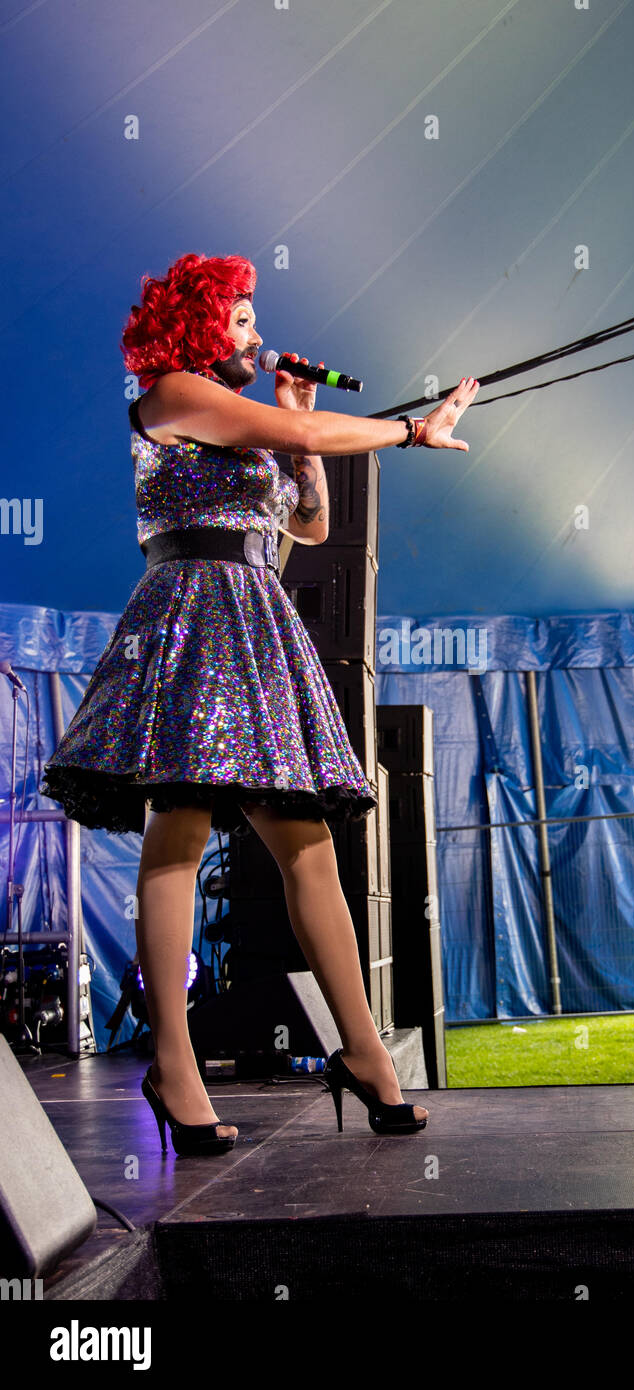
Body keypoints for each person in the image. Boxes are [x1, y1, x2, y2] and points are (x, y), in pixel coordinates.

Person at [41, 251, 480, 1155]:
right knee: (180, 829)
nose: (257, 333)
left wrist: (294, 421)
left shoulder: (247, 422)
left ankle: (364, 1054)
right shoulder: (169, 394)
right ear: (199, 327)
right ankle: (175, 1062)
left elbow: (310, 523)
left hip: (256, 619)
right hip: (194, 613)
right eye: (241, 319)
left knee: (309, 844)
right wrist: (409, 431)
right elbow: (308, 461)